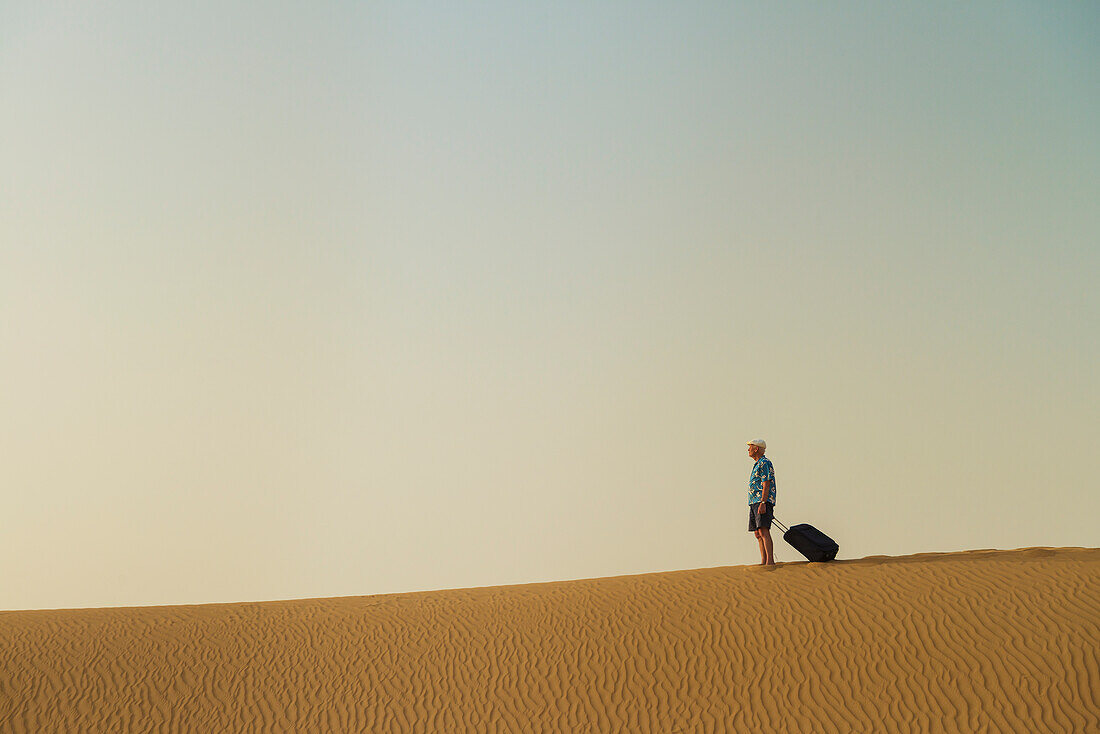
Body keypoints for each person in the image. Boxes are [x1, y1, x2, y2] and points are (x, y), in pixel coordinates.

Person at [746, 438, 776, 565]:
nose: (748, 449)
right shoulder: (757, 464)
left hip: (761, 501)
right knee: (758, 533)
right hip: (754, 502)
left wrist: (763, 502)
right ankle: (763, 560)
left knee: (764, 530)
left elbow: (766, 484)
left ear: (756, 448)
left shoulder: (764, 463)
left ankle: (770, 561)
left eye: (750, 447)